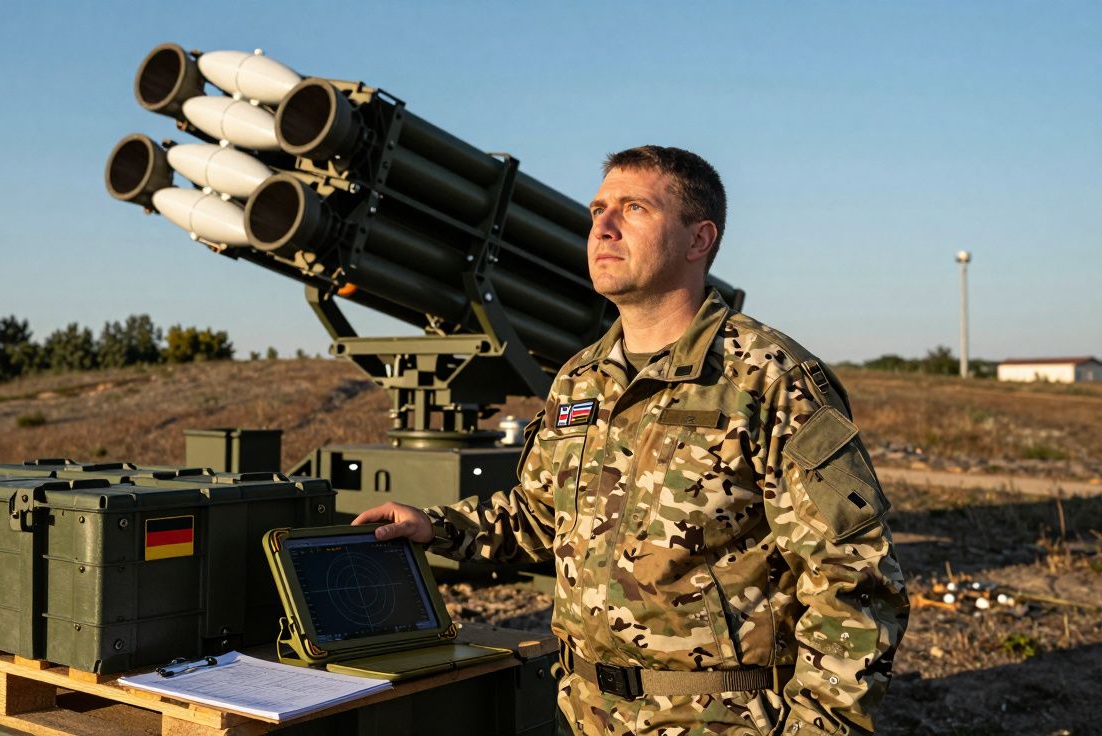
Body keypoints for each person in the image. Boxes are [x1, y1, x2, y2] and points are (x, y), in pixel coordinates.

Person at [353, 146, 908, 736]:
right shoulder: (580, 378)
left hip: (720, 721)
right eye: (598, 210)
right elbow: (543, 520)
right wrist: (436, 526)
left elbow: (854, 578)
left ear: (699, 240)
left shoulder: (768, 379)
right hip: (583, 714)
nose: (603, 227)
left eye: (634, 208)